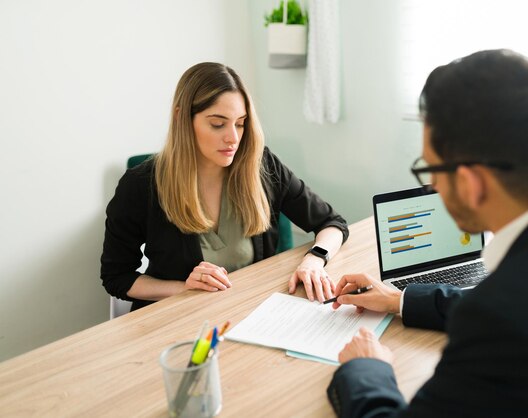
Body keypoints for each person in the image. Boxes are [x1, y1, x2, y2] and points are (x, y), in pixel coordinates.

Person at [327, 50, 528, 417]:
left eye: (432, 169)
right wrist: (398, 300)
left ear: (470, 183)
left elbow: (508, 316)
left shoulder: (499, 320)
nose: (432, 184)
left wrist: (367, 369)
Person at [101, 62, 349, 311]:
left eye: (240, 123)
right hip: (178, 318)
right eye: (218, 124)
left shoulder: (260, 164)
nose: (233, 138)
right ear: (181, 118)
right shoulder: (141, 184)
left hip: (250, 311)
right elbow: (116, 276)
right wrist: (183, 289)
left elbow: (331, 223)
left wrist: (315, 259)